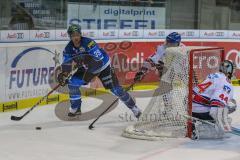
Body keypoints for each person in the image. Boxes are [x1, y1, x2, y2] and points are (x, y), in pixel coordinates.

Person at [57, 24, 141, 118]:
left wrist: (88, 77)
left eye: (77, 34)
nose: (75, 37)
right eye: (73, 35)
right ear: (70, 36)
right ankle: (76, 109)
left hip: (103, 66)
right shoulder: (68, 48)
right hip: (86, 68)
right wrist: (64, 74)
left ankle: (135, 108)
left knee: (116, 89)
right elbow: (66, 63)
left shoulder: (89, 43)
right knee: (72, 84)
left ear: (80, 34)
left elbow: (98, 62)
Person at [134, 32, 182, 111]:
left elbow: (182, 65)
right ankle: (168, 107)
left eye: (171, 43)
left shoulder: (182, 49)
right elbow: (151, 60)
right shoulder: (162, 48)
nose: (168, 45)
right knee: (165, 85)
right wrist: (142, 71)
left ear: (177, 44)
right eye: (167, 42)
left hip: (180, 68)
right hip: (166, 69)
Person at [192, 60, 237, 139]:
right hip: (201, 111)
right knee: (225, 113)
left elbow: (195, 91)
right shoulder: (226, 83)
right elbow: (217, 103)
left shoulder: (212, 75)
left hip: (191, 108)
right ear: (229, 70)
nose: (234, 72)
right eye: (233, 70)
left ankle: (192, 123)